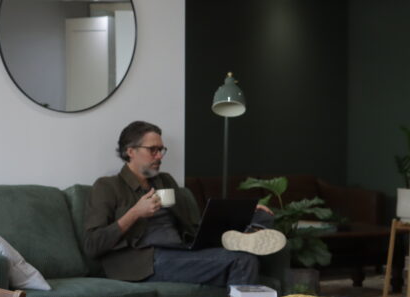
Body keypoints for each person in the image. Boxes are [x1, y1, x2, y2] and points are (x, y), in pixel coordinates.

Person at [83, 120, 285, 285]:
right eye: (153, 150)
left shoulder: (165, 181)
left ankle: (250, 232)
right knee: (243, 261)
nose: (159, 156)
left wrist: (243, 213)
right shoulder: (107, 186)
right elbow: (92, 245)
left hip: (181, 248)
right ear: (130, 151)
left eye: (161, 150)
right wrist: (135, 212)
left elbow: (196, 224)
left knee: (261, 215)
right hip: (146, 260)